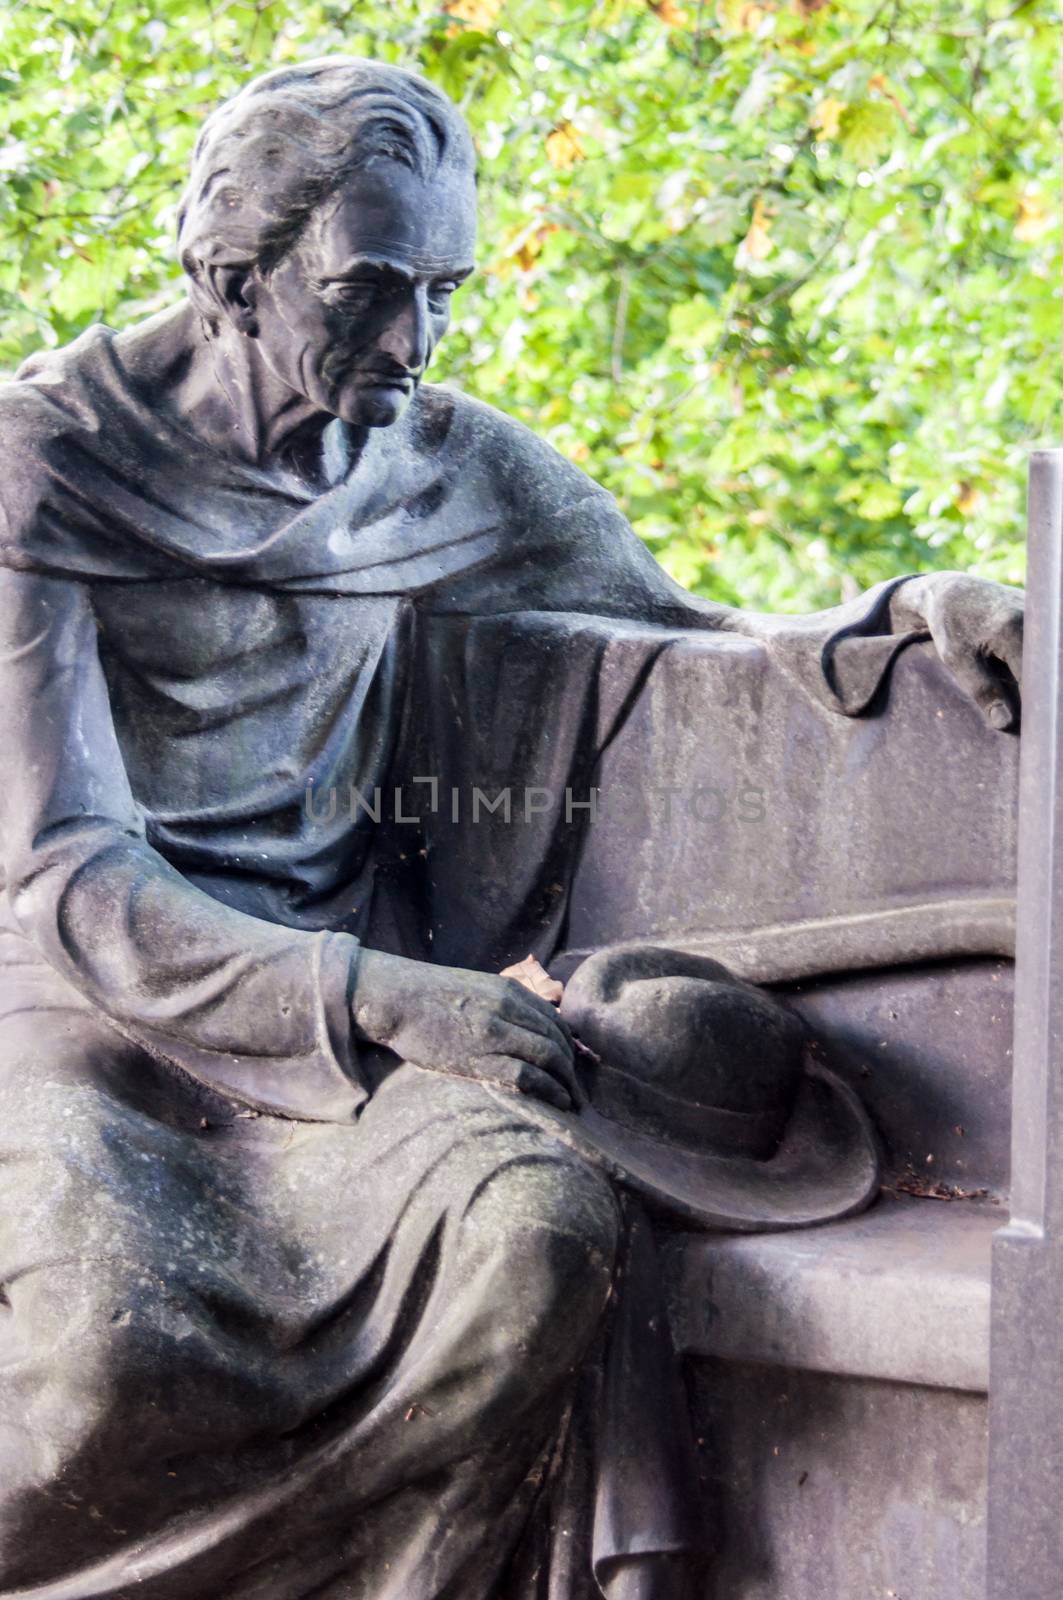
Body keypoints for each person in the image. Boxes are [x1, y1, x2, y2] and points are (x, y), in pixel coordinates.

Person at [0, 57, 1023, 1600]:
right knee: (98, 1349)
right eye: (366, 293)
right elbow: (68, 874)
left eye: (445, 291)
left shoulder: (439, 459)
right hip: (88, 1006)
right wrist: (385, 996)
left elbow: (699, 630)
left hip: (348, 1031)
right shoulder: (47, 468)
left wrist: (913, 611)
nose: (413, 342)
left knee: (537, 1237)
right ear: (231, 271)